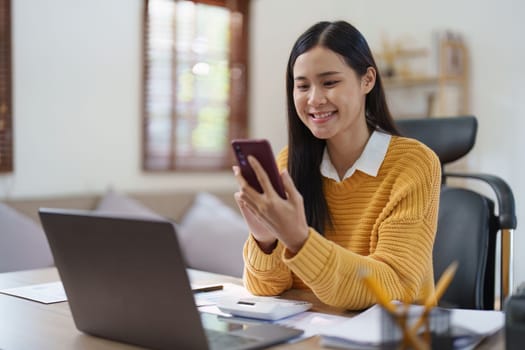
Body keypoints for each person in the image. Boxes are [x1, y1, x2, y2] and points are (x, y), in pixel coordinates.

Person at [232, 20, 441, 310]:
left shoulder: (413, 164)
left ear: (367, 80)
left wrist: (299, 240)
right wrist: (265, 239)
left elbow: (396, 285)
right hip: (312, 333)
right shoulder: (288, 163)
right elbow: (265, 289)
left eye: (329, 83)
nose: (314, 100)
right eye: (302, 86)